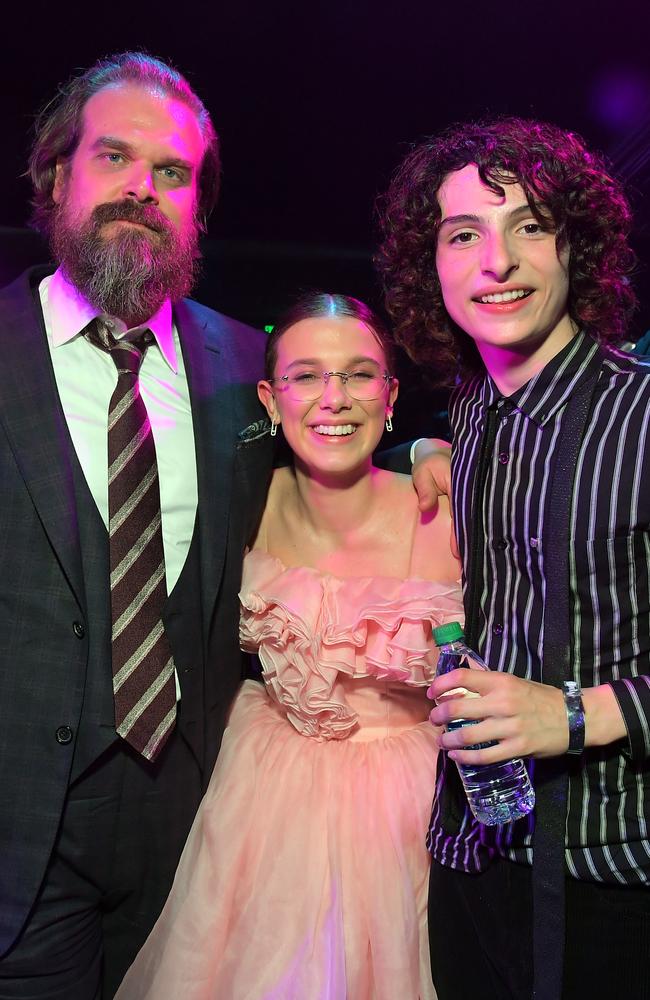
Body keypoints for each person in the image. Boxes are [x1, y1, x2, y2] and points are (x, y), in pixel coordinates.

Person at [0, 52, 272, 999]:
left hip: (190, 824)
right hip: (23, 837)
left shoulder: (249, 362)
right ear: (54, 176)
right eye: (114, 158)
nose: (141, 191)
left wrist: (419, 459)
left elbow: (338, 466)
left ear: (197, 205)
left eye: (172, 173)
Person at [115, 292, 463, 999]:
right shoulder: (236, 503)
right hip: (263, 794)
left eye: (359, 375)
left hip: (412, 808)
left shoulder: (452, 510)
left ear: (390, 395)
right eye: (306, 376)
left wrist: (430, 445)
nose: (334, 398)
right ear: (271, 399)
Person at [376, 116, 650, 999]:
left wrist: (575, 715)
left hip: (612, 871)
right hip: (468, 858)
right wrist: (418, 446)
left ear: (578, 247)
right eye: (464, 234)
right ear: (436, 268)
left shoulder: (641, 416)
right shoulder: (466, 417)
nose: (497, 260)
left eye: (530, 225)